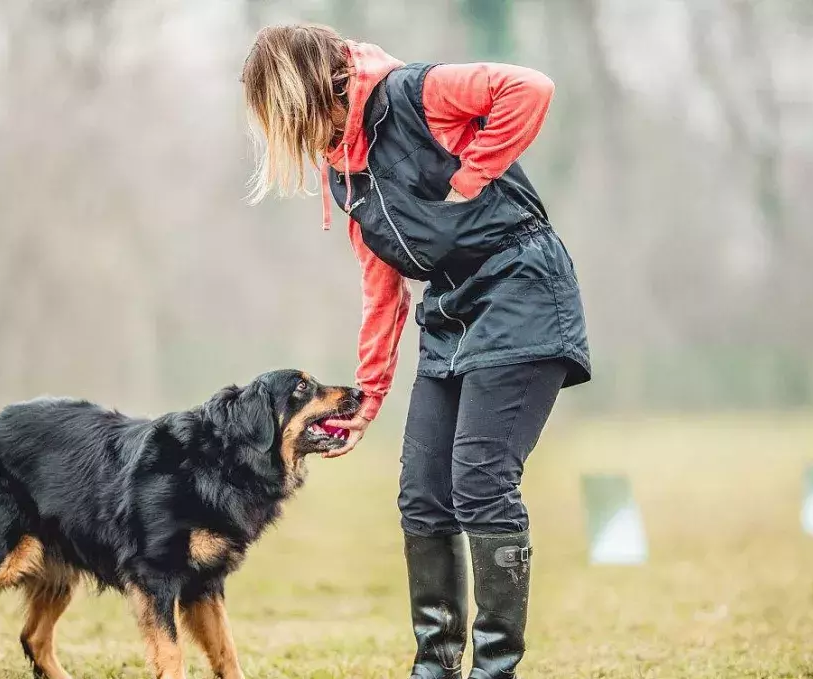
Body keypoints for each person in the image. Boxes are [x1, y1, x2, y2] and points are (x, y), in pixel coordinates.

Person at [242, 24, 590, 679]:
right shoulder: (346, 175)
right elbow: (382, 289)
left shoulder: (412, 93)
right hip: (451, 308)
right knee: (422, 496)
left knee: (481, 481)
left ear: (306, 92)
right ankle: (435, 665)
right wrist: (368, 396)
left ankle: (495, 670)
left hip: (520, 287)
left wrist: (473, 171)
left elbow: (529, 88)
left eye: (278, 113)